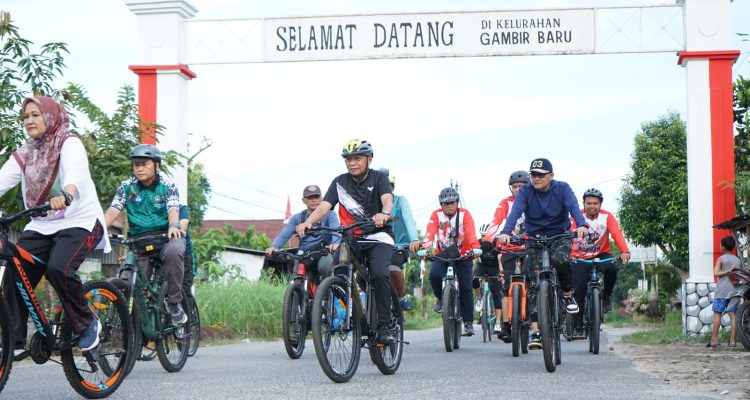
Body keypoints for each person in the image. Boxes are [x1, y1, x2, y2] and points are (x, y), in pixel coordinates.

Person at [0, 96, 110, 352]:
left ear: (49, 116)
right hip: (42, 224)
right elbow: (3, 179)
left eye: (35, 115)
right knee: (16, 268)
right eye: (26, 116)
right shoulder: (26, 152)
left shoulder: (69, 143)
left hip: (79, 220)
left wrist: (67, 194)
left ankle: (86, 323)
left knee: (58, 268)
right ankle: (14, 339)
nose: (29, 120)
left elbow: (74, 174)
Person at [295, 139, 396, 345]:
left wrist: (384, 213)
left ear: (369, 159)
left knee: (378, 274)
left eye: (357, 158)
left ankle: (386, 325)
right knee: (336, 272)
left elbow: (387, 199)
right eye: (348, 159)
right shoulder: (340, 182)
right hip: (351, 237)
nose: (352, 163)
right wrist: (308, 222)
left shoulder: (379, 178)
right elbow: (324, 207)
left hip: (378, 237)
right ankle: (348, 317)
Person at [498, 158, 588, 350]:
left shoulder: (562, 188)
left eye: (541, 175)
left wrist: (581, 225)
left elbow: (573, 207)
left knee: (562, 260)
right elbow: (515, 213)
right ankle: (536, 330)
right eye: (533, 175)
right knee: (533, 280)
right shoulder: (525, 192)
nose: (536, 178)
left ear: (551, 176)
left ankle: (566, 294)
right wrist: (506, 232)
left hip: (560, 235)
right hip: (534, 238)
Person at [104, 144, 187, 326]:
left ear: (157, 165)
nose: (139, 169)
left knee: (175, 251)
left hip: (166, 237)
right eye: (136, 165)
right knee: (127, 283)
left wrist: (173, 225)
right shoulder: (127, 187)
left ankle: (174, 303)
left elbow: (173, 208)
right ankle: (131, 332)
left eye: (144, 164)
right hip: (139, 241)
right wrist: (99, 229)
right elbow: (113, 211)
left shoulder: (168, 185)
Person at [419, 187, 482, 336]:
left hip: (463, 255)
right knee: (434, 276)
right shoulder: (436, 215)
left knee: (466, 287)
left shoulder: (465, 214)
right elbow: (430, 233)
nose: (449, 206)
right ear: (441, 204)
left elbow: (471, 233)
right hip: (442, 254)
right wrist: (425, 247)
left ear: (457, 202)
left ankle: (468, 322)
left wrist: (475, 247)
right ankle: (442, 298)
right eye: (446, 203)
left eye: (452, 203)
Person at [570, 188, 631, 337]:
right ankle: (577, 326)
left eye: (595, 203)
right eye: (588, 203)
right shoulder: (575, 217)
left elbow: (617, 234)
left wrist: (624, 251)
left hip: (601, 254)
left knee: (612, 268)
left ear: (600, 204)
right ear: (583, 203)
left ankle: (606, 296)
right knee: (579, 289)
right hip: (580, 256)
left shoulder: (607, 217)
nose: (592, 206)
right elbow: (568, 233)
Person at [482, 170, 529, 341]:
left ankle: (536, 324)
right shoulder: (505, 204)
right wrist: (489, 238)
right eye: (515, 187)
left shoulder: (534, 201)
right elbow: (495, 222)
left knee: (533, 284)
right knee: (507, 287)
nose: (518, 189)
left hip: (531, 247)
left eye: (522, 186)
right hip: (509, 248)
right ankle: (507, 325)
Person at [266, 184, 340, 279]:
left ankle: (327, 292)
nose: (314, 200)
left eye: (316, 197)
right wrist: (274, 247)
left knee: (326, 268)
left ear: (322, 198)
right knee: (295, 278)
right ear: (303, 200)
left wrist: (335, 244)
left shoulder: (330, 214)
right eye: (310, 197)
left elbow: (335, 231)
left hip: (324, 252)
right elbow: (284, 235)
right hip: (304, 254)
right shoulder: (297, 218)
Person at [377, 167, 420, 311]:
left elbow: (408, 219)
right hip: (376, 247)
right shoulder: (371, 204)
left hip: (398, 246)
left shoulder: (400, 201)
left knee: (394, 267)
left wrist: (414, 239)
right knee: (360, 275)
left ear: (392, 187)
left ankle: (401, 298)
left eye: (387, 186)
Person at [707, 236, 742, 348]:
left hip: (722, 290)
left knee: (717, 313)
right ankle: (733, 341)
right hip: (734, 290)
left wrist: (726, 271)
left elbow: (716, 273)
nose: (719, 246)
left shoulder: (721, 259)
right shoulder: (737, 260)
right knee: (733, 315)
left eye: (720, 244)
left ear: (723, 246)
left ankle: (714, 340)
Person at [473, 224, 503, 336]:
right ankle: (480, 298)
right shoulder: (478, 242)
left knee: (496, 294)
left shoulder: (496, 241)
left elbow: (500, 257)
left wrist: (501, 271)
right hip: (483, 265)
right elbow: (475, 258)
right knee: (474, 279)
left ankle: (498, 322)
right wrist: (471, 271)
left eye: (486, 235)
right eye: (482, 235)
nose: (484, 238)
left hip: (494, 267)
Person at [179, 204, 196, 297]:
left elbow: (183, 225)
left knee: (185, 289)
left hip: (184, 254)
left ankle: (188, 311)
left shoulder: (181, 209)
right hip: (160, 252)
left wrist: (180, 231)